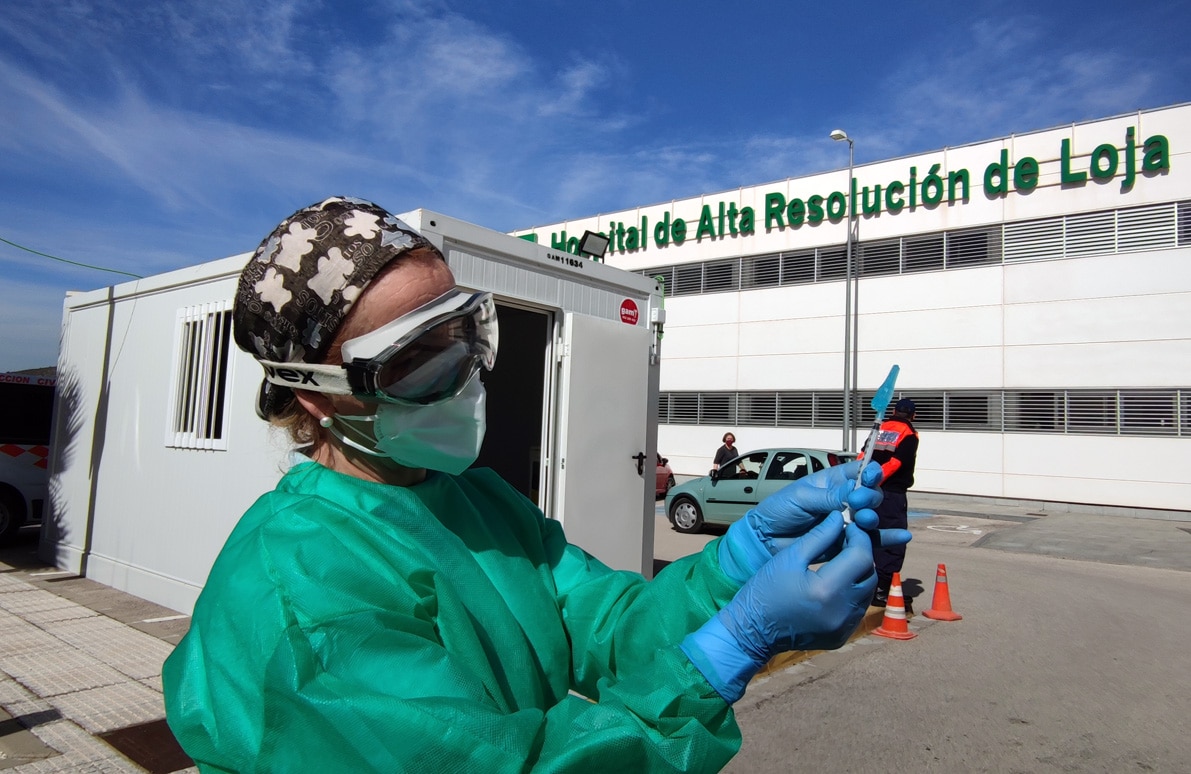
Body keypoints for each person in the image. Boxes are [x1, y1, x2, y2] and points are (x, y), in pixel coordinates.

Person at [161, 197, 910, 773]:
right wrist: (730, 649)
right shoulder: (299, 595)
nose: (460, 374)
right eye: (413, 360)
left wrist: (734, 564)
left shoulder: (479, 504)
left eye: (461, 333)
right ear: (317, 394)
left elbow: (610, 626)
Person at [866, 397, 920, 608]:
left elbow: (864, 454)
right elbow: (897, 463)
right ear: (913, 415)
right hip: (891, 493)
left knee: (871, 536)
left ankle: (873, 585)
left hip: (870, 491)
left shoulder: (880, 427)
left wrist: (864, 480)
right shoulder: (909, 434)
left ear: (895, 411)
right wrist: (880, 478)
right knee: (893, 539)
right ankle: (882, 590)